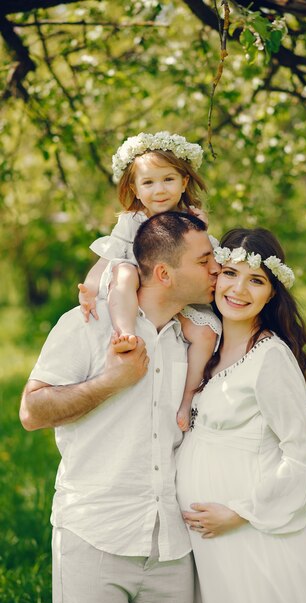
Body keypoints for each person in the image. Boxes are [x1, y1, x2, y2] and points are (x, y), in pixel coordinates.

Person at [19, 212, 220, 603]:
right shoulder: (88, 326)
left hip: (173, 546)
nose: (215, 268)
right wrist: (111, 381)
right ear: (164, 273)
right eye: (204, 260)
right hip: (95, 534)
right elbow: (31, 411)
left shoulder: (199, 336)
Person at [176, 228, 306, 603]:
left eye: (255, 280)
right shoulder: (206, 343)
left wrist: (240, 513)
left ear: (272, 292)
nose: (239, 289)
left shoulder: (269, 357)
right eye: (230, 274)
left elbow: (301, 455)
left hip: (250, 531)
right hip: (205, 541)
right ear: (215, 276)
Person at [78, 131, 221, 430]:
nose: (159, 190)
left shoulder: (192, 219)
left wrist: (201, 229)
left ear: (184, 182)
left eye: (168, 179)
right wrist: (90, 288)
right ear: (135, 188)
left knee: (207, 334)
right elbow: (109, 256)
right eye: (148, 182)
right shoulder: (132, 221)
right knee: (124, 271)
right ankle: (126, 333)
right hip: (134, 289)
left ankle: (187, 400)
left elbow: (206, 260)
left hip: (176, 296)